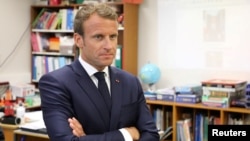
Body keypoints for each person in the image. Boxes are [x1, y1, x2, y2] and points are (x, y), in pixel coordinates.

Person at [38, 3, 159, 141]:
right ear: (79, 40)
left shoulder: (130, 82)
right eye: (98, 37)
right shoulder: (56, 83)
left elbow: (151, 136)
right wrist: (126, 134)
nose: (109, 46)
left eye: (113, 37)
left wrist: (86, 138)